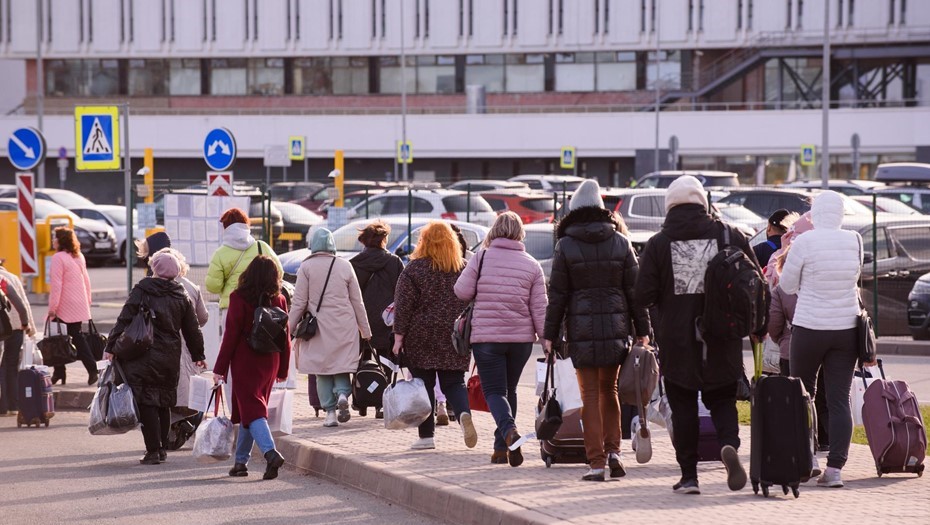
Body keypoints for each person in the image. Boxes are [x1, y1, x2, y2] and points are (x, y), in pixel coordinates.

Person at [634, 175, 762, 495]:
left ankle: (689, 476)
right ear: (702, 202)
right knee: (722, 399)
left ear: (670, 205)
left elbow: (643, 294)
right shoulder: (729, 235)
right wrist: (757, 328)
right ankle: (728, 445)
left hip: (678, 339)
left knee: (684, 405)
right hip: (723, 335)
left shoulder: (659, 243)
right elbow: (755, 283)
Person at [542, 180, 650, 482]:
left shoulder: (565, 245)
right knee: (610, 391)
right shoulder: (620, 242)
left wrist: (549, 335)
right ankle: (614, 452)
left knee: (589, 395)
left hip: (581, 330)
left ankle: (596, 463)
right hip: (616, 330)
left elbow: (558, 296)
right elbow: (634, 292)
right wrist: (643, 330)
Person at [779, 190, 865, 488]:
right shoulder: (855, 240)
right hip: (846, 328)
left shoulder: (804, 241)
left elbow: (787, 285)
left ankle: (807, 458)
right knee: (839, 398)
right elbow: (854, 277)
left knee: (802, 395)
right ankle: (836, 470)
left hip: (809, 326)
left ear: (814, 215)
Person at [454, 212, 548, 467]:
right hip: (520, 341)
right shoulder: (531, 264)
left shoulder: (481, 258)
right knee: (510, 390)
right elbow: (540, 308)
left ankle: (509, 432)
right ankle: (500, 449)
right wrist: (546, 340)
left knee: (494, 391)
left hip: (487, 338)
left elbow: (461, 291)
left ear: (494, 231)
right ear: (520, 233)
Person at [104, 250, 206, 465]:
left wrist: (111, 345)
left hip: (144, 354)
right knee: (164, 401)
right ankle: (161, 449)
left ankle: (153, 450)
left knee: (147, 402)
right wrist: (198, 355)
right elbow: (192, 328)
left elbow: (125, 317)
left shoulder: (143, 289)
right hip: (170, 354)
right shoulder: (181, 294)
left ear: (155, 269)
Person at [392, 221, 476, 451]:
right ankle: (463, 415)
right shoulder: (464, 268)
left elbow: (403, 306)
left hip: (421, 334)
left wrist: (398, 338)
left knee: (424, 384)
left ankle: (426, 437)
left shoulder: (414, 269)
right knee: (454, 382)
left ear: (424, 242)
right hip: (455, 334)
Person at [213, 255, 290, 480]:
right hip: (271, 361)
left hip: (246, 360)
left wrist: (220, 368)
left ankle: (270, 452)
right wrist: (283, 368)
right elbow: (285, 338)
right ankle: (240, 462)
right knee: (248, 409)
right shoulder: (280, 299)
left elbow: (231, 336)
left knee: (253, 409)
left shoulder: (238, 297)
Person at [289, 229, 372, 428]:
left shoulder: (306, 267)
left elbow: (299, 302)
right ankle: (343, 394)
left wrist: (289, 328)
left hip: (318, 326)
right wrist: (365, 330)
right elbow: (357, 301)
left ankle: (330, 413)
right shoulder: (345, 265)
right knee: (341, 364)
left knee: (322, 370)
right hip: (345, 324)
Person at [767, 212, 831, 452]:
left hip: (791, 347)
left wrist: (780, 337)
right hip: (829, 341)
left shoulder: (783, 284)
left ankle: (803, 443)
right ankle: (828, 441)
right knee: (826, 396)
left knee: (798, 397)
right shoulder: (825, 277)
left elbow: (774, 322)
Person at [350, 221, 405, 418]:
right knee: (386, 361)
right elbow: (401, 293)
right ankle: (382, 403)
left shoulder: (354, 263)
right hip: (386, 320)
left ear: (364, 241)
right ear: (384, 240)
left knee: (361, 360)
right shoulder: (394, 262)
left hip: (361, 320)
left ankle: (360, 400)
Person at [47, 227, 99, 386]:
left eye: (55, 238)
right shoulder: (79, 256)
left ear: (61, 240)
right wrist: (87, 300)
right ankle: (91, 370)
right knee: (77, 336)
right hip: (78, 303)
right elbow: (86, 280)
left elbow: (57, 284)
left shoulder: (58, 258)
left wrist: (53, 307)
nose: (53, 240)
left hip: (64, 304)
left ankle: (59, 372)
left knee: (56, 338)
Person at [206, 208, 281, 310]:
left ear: (225, 228)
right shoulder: (261, 246)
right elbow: (279, 273)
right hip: (261, 305)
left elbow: (213, 286)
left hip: (231, 307)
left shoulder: (220, 254)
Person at [0, 261, 34, 416]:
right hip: (12, 328)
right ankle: (13, 406)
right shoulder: (6, 279)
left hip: (4, 329)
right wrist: (27, 324)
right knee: (11, 366)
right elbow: (21, 304)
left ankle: (2, 407)